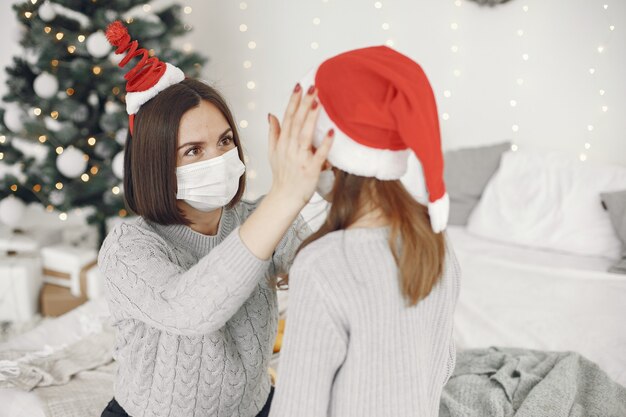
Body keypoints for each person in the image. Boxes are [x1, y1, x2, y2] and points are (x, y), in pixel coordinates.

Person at [98, 22, 333, 417]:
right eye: (193, 150)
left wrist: (330, 181)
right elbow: (191, 311)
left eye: (225, 141)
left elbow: (331, 275)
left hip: (256, 407)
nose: (220, 159)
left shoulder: (263, 218)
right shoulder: (128, 249)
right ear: (156, 165)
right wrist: (285, 196)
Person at [269, 46, 461, 417]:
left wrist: (284, 189)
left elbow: (297, 408)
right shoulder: (436, 240)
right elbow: (442, 364)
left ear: (324, 152)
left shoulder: (323, 264)